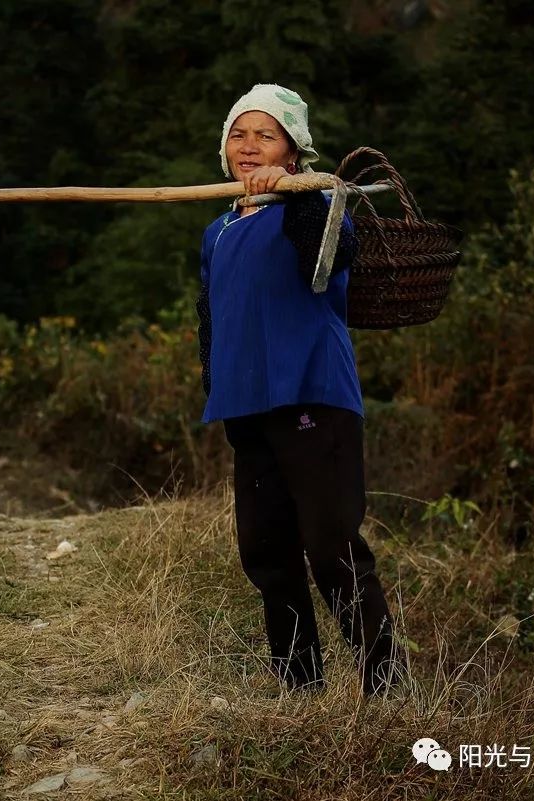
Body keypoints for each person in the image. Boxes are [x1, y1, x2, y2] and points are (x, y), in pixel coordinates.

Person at [195, 83, 404, 697]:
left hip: (312, 396)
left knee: (332, 551)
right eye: (240, 134)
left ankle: (388, 690)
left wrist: (300, 196)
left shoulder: (315, 207)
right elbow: (211, 314)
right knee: (266, 553)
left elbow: (332, 259)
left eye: (267, 136)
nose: (250, 147)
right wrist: (217, 383)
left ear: (292, 150)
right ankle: (301, 687)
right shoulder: (219, 230)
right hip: (248, 407)